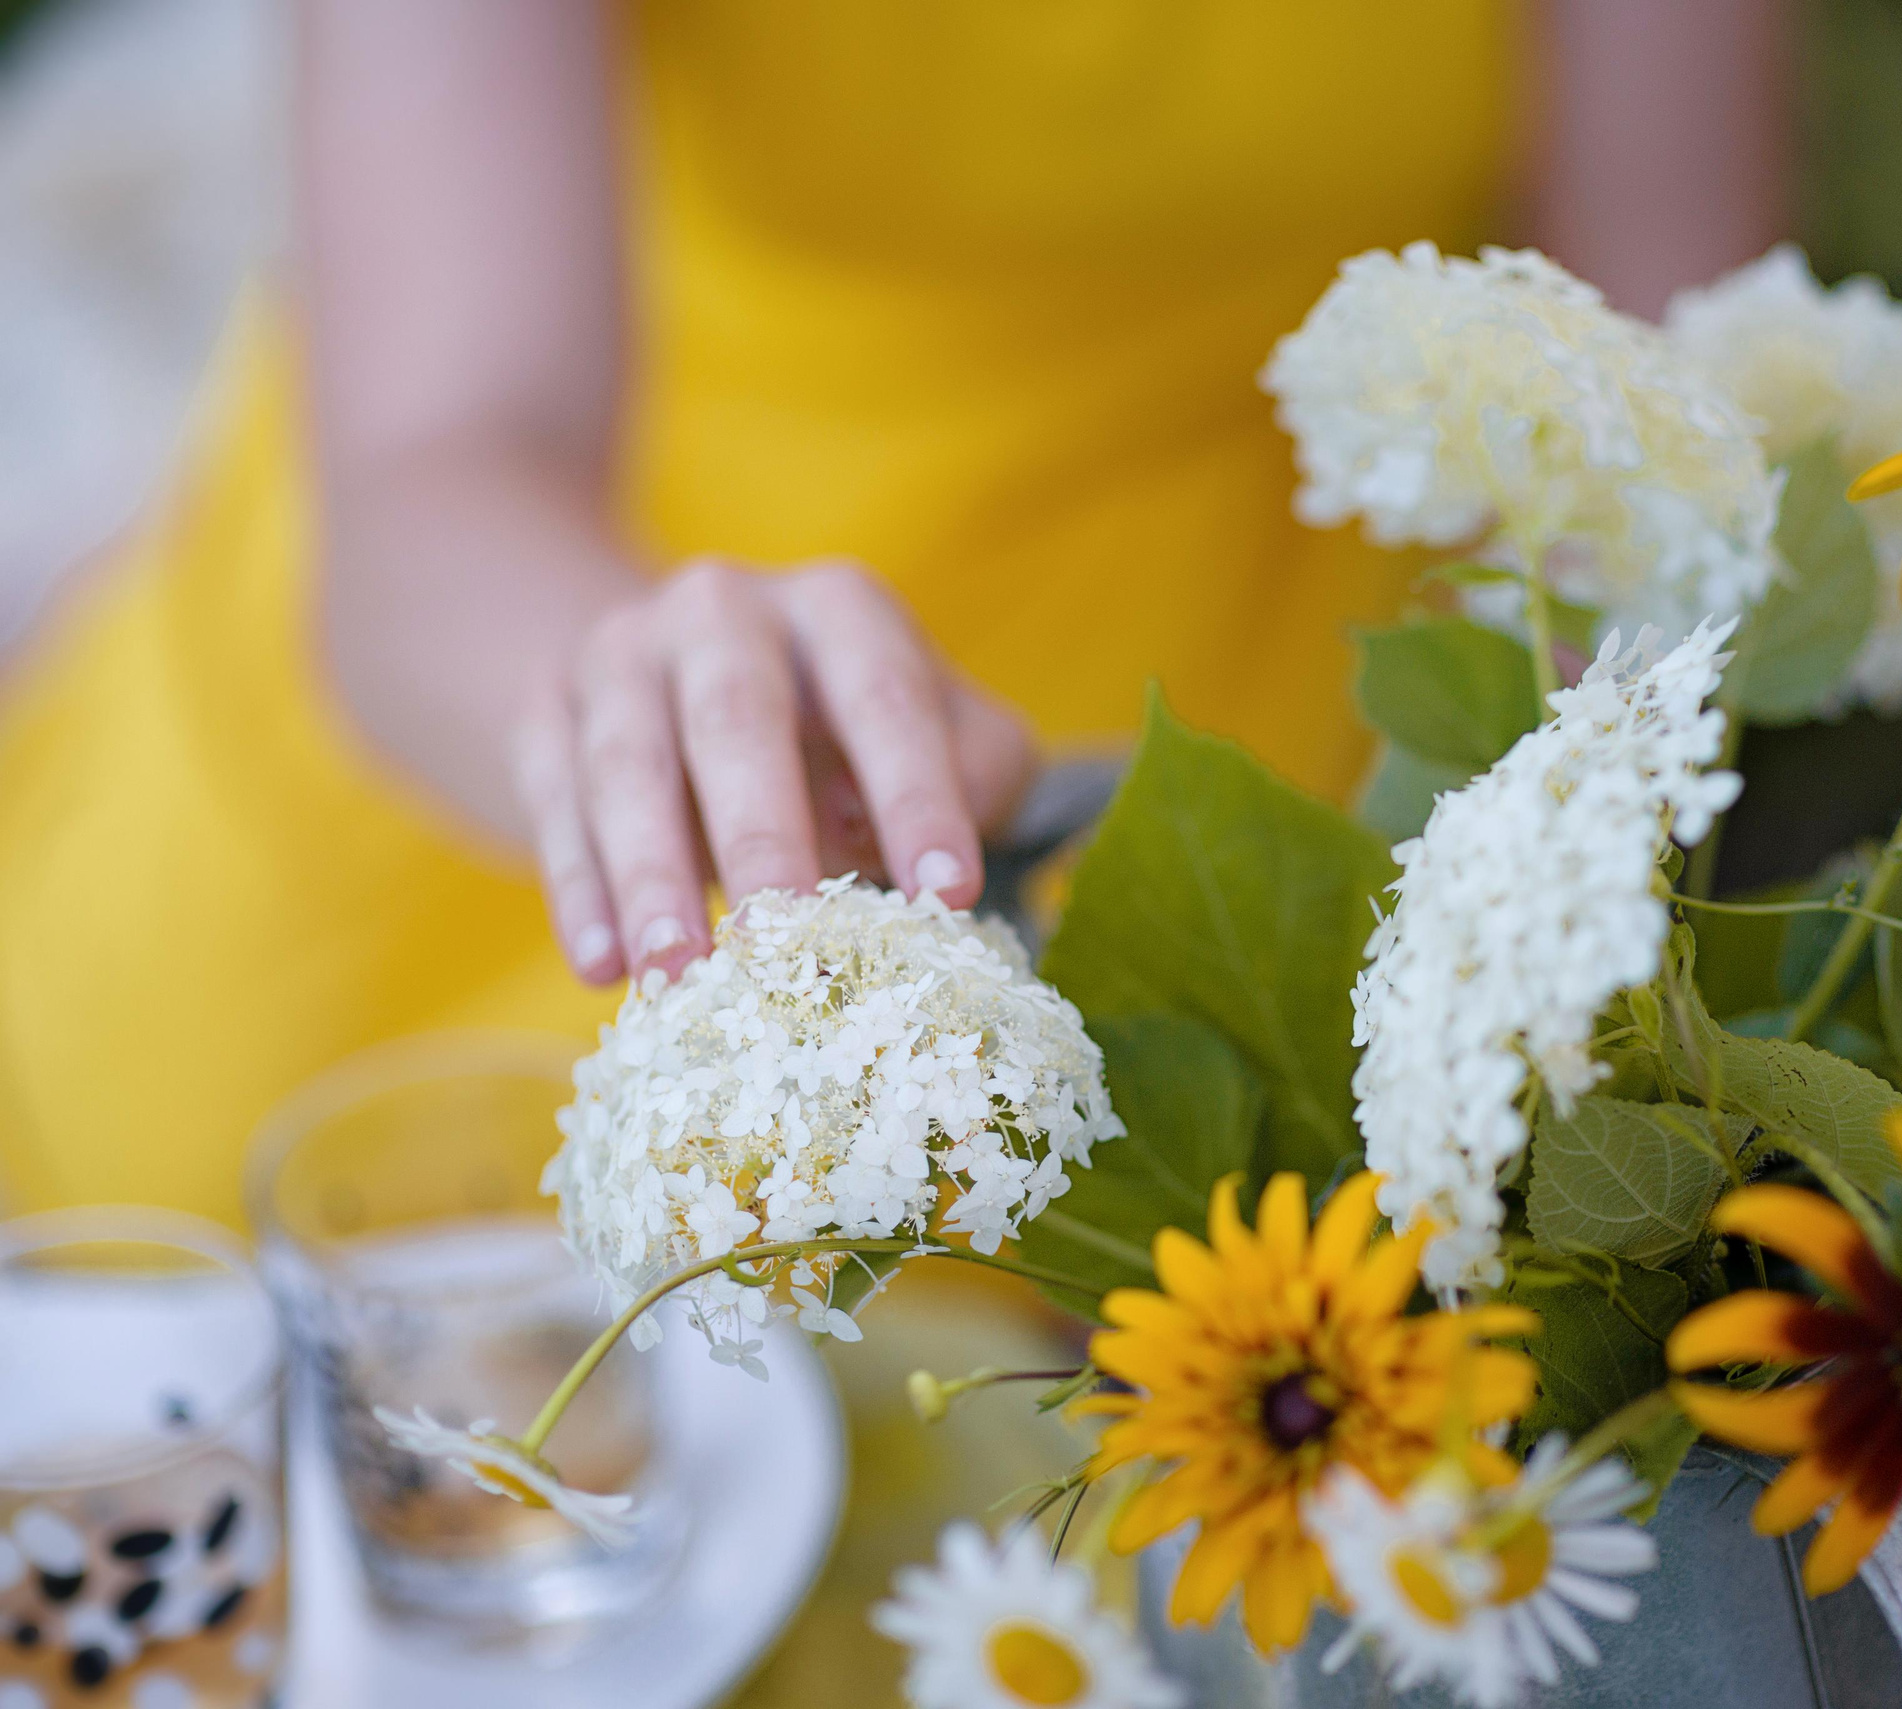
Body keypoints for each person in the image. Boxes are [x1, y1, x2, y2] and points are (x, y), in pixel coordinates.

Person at [0, 0, 1787, 1224]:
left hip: (1184, 757)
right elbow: (429, 477)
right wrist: (644, 710)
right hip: (554, 681)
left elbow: (1645, 416)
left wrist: (1520, 906)